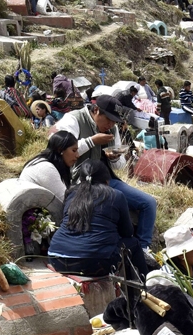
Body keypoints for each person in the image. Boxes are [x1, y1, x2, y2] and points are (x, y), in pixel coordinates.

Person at [55, 96, 157, 252]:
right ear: (96, 110)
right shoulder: (74, 119)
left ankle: (143, 248)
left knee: (148, 203)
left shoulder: (112, 129)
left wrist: (115, 158)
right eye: (108, 119)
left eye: (114, 121)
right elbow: (61, 148)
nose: (111, 125)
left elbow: (119, 166)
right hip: (78, 182)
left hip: (106, 180)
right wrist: (92, 141)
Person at [48, 161, 149, 277]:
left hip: (56, 258)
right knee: (134, 244)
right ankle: (147, 289)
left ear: (80, 179)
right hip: (94, 263)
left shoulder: (71, 193)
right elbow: (127, 232)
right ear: (107, 180)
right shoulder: (116, 195)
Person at [18, 131, 78, 219]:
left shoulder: (47, 163)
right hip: (29, 219)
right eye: (74, 150)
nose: (77, 155)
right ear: (60, 150)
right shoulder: (45, 168)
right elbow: (67, 201)